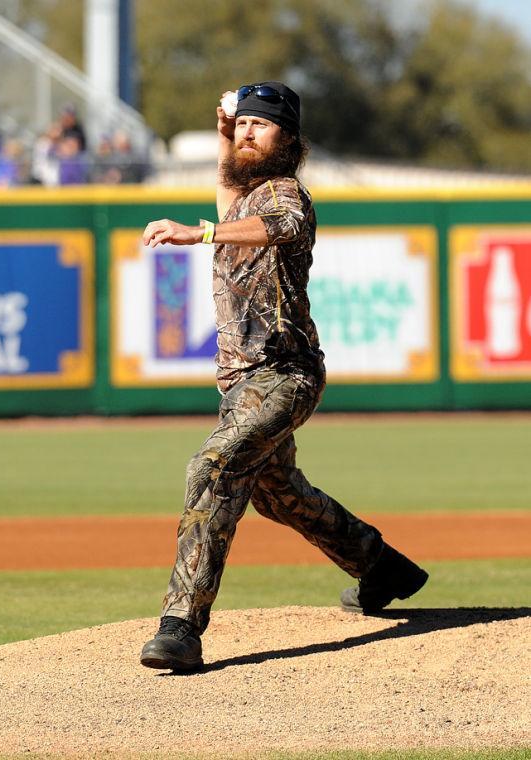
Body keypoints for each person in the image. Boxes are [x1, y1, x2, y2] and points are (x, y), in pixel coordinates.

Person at [140, 82, 428, 672]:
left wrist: (200, 234)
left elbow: (278, 225)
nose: (248, 131)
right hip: (241, 385)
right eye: (242, 123)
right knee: (280, 495)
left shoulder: (287, 193)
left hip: (284, 374)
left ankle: (181, 625)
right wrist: (224, 132)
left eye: (260, 125)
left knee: (214, 466)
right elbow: (229, 191)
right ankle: (382, 567)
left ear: (289, 140)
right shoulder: (242, 197)